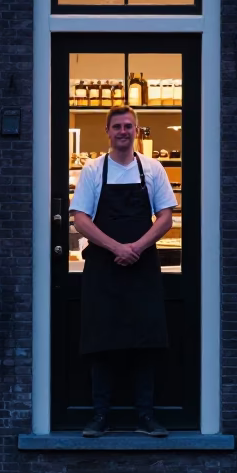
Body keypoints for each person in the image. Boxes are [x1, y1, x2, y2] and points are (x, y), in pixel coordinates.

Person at [70, 104, 177, 438]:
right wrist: (117, 248)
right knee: (101, 342)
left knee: (145, 343)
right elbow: (80, 219)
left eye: (128, 126)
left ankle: (146, 416)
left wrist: (137, 247)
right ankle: (100, 416)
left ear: (136, 130)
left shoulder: (153, 169)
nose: (122, 132)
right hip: (104, 269)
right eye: (117, 126)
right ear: (107, 131)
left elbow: (166, 217)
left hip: (142, 268)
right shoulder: (92, 170)